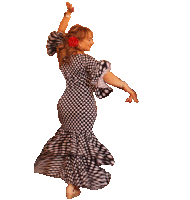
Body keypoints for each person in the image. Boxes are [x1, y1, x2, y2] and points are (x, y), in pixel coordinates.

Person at [34, 2, 139, 199]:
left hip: (65, 104)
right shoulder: (86, 60)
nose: (92, 43)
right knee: (80, 144)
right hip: (83, 105)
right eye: (89, 39)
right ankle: (72, 185)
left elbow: (59, 35)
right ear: (77, 41)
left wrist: (67, 15)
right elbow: (107, 77)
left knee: (71, 142)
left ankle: (71, 183)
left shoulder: (63, 56)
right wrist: (126, 86)